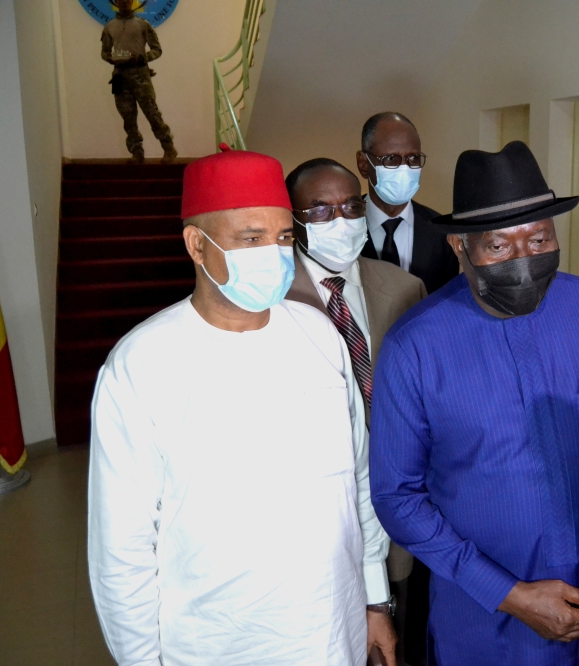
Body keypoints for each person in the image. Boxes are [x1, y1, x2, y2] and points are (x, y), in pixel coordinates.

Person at [87, 148, 396, 665]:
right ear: (196, 245)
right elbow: (122, 548)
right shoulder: (142, 364)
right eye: (251, 239)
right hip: (216, 643)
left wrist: (375, 598)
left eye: (282, 238)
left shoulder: (318, 333)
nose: (273, 254)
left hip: (332, 629)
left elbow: (358, 480)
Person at [369, 141, 579, 665]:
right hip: (483, 622)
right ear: (460, 244)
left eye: (540, 238)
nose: (525, 261)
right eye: (499, 246)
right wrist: (508, 593)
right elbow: (397, 496)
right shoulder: (414, 344)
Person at [283, 157, 426, 662]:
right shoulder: (270, 302)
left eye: (350, 206)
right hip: (314, 517)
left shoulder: (404, 290)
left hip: (396, 499)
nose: (339, 222)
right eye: (319, 211)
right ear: (293, 218)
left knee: (396, 633)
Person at [356, 112, 458, 294]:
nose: (404, 168)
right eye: (390, 159)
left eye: (413, 158)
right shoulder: (343, 229)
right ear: (363, 164)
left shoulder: (441, 232)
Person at [101, 0, 176, 163]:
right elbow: (104, 52)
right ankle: (137, 152)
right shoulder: (109, 27)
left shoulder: (143, 24)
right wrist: (112, 59)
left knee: (152, 113)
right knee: (127, 117)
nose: (126, 2)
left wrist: (142, 58)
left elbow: (157, 49)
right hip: (119, 76)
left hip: (141, 74)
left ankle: (168, 148)